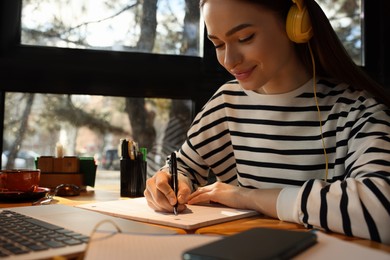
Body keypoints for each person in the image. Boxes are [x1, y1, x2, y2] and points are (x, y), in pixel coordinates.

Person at [144, 0, 390, 244]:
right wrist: (170, 183)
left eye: (245, 38)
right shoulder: (227, 102)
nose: (229, 60)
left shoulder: (357, 112)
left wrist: (248, 197)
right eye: (218, 44)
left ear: (296, 25)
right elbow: (184, 167)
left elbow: (382, 210)